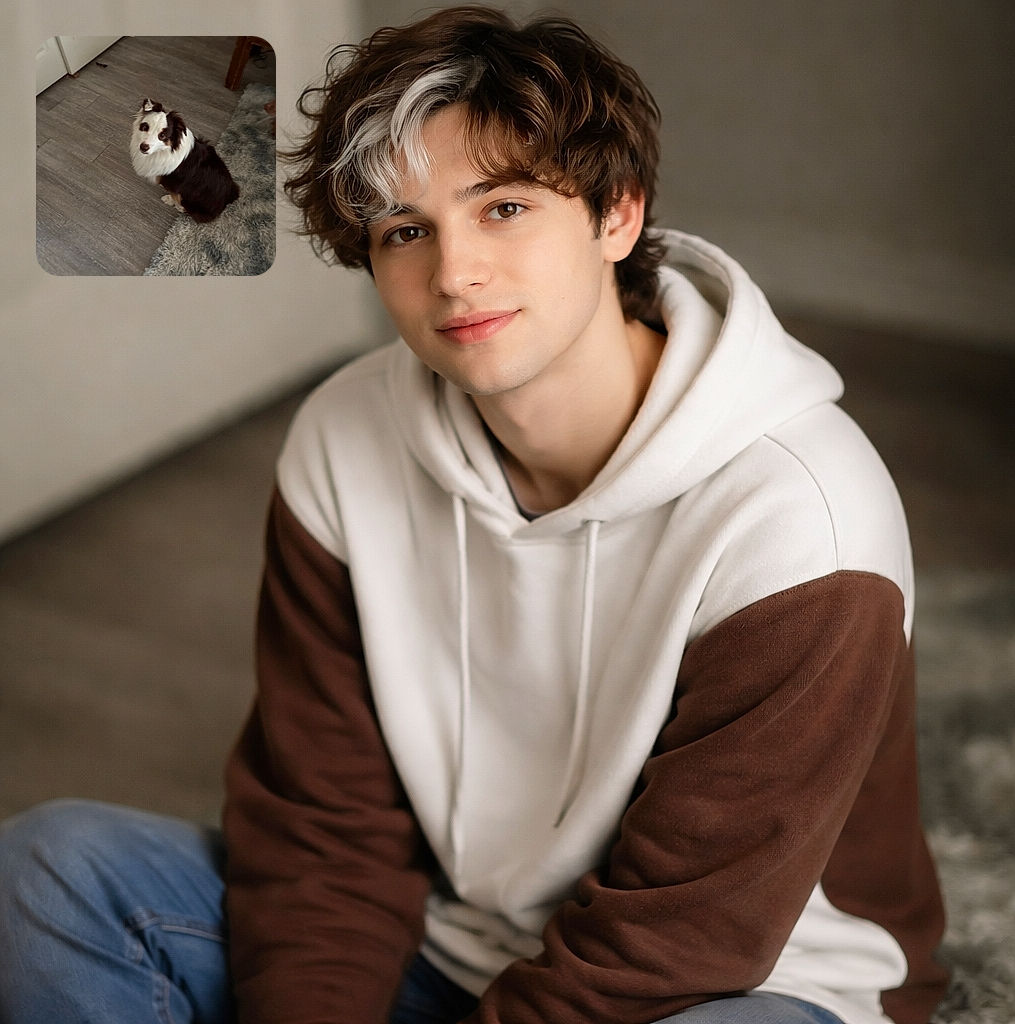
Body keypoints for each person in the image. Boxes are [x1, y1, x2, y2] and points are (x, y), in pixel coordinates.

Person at [0, 7, 948, 1024]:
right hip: (448, 936)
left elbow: (682, 937)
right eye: (405, 230)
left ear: (616, 213)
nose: (453, 273)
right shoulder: (342, 440)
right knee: (48, 874)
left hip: (743, 979)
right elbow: (327, 826)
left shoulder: (804, 521)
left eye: (502, 208)